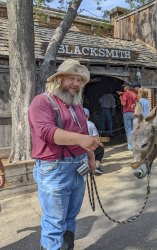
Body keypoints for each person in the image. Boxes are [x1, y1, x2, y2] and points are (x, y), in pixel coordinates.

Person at [28, 59, 103, 250]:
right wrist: (80, 140)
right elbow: (47, 132)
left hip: (78, 165)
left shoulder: (76, 104)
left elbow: (84, 132)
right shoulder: (42, 101)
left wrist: (91, 157)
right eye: (72, 79)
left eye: (79, 80)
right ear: (59, 79)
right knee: (54, 222)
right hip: (54, 168)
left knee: (70, 218)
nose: (76, 84)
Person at [84, 108, 104, 175]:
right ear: (88, 116)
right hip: (89, 147)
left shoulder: (75, 124)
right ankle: (96, 166)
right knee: (101, 149)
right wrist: (100, 144)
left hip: (78, 148)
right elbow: (96, 137)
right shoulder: (91, 124)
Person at [120, 85, 138, 150]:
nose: (123, 88)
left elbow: (123, 104)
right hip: (134, 113)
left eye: (124, 87)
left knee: (128, 130)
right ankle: (134, 144)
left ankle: (130, 145)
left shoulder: (125, 94)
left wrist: (120, 99)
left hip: (127, 113)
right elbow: (137, 103)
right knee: (133, 129)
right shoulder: (135, 94)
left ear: (126, 88)